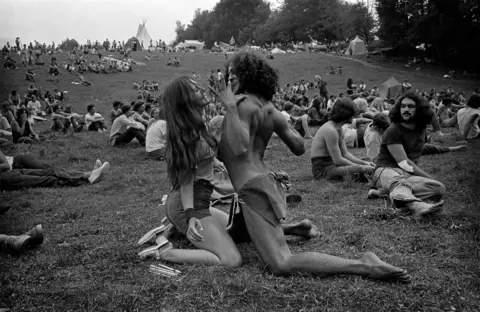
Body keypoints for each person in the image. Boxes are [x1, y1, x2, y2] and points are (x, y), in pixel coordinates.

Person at [211, 52, 410, 282]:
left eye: (235, 73)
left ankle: (364, 264)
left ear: (249, 75)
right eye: (229, 73)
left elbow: (239, 146)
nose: (230, 77)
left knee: (280, 262)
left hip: (252, 187)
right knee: (235, 235)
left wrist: (229, 106)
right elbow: (298, 145)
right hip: (262, 181)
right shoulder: (269, 108)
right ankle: (300, 227)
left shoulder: (240, 104)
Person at [371, 92, 446, 217]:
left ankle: (384, 193)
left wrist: (438, 132)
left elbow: (432, 114)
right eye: (403, 106)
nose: (406, 109)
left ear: (419, 110)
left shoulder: (420, 128)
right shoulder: (393, 130)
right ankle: (416, 206)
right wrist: (429, 177)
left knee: (438, 188)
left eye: (410, 106)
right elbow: (404, 163)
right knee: (398, 182)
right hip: (386, 170)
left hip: (408, 175)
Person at [311, 98, 375, 181]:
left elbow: (345, 154)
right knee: (358, 171)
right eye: (353, 113)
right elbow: (338, 160)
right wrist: (360, 167)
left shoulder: (338, 129)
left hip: (333, 164)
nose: (354, 116)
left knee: (367, 160)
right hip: (323, 170)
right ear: (346, 114)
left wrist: (364, 163)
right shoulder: (331, 130)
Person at [364, 113, 467, 163]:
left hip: (394, 146)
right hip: (391, 152)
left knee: (420, 146)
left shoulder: (374, 126)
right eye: (384, 130)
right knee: (421, 147)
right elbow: (375, 160)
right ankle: (451, 148)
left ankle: (450, 148)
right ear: (377, 127)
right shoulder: (373, 138)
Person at [0, 150, 110, 189]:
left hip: (11, 167)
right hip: (6, 176)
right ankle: (88, 176)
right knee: (47, 179)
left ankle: (87, 174)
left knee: (49, 170)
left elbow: (6, 165)